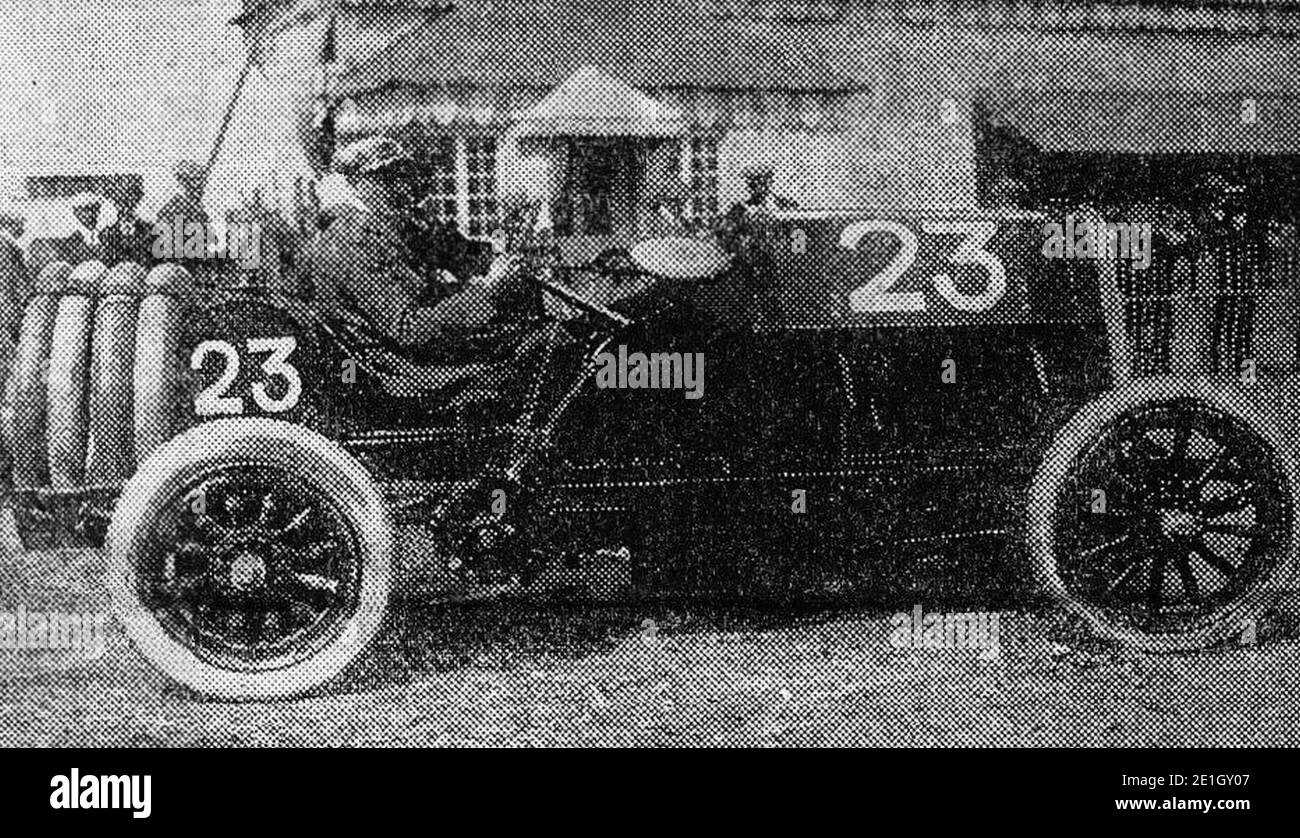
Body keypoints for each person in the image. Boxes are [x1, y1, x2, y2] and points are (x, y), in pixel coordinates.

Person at [308, 136, 524, 353]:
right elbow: (407, 329)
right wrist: (486, 290)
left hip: (413, 356)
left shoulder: (400, 224)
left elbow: (457, 250)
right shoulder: (353, 240)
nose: (404, 188)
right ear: (358, 183)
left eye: (406, 176)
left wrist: (499, 253)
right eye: (388, 177)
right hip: (387, 371)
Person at [100, 181, 153, 267]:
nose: (125, 206)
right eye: (120, 201)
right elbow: (106, 263)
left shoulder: (149, 230)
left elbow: (153, 262)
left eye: (129, 200)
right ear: (114, 202)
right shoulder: (107, 234)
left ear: (136, 201)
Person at [0, 205, 28, 338]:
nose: (23, 229)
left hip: (7, 285)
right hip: (8, 287)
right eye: (21, 224)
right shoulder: (9, 241)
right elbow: (23, 272)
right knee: (10, 313)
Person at [60, 192, 105, 265]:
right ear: (76, 213)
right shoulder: (74, 237)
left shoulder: (102, 235)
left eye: (94, 209)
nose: (90, 214)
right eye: (86, 210)